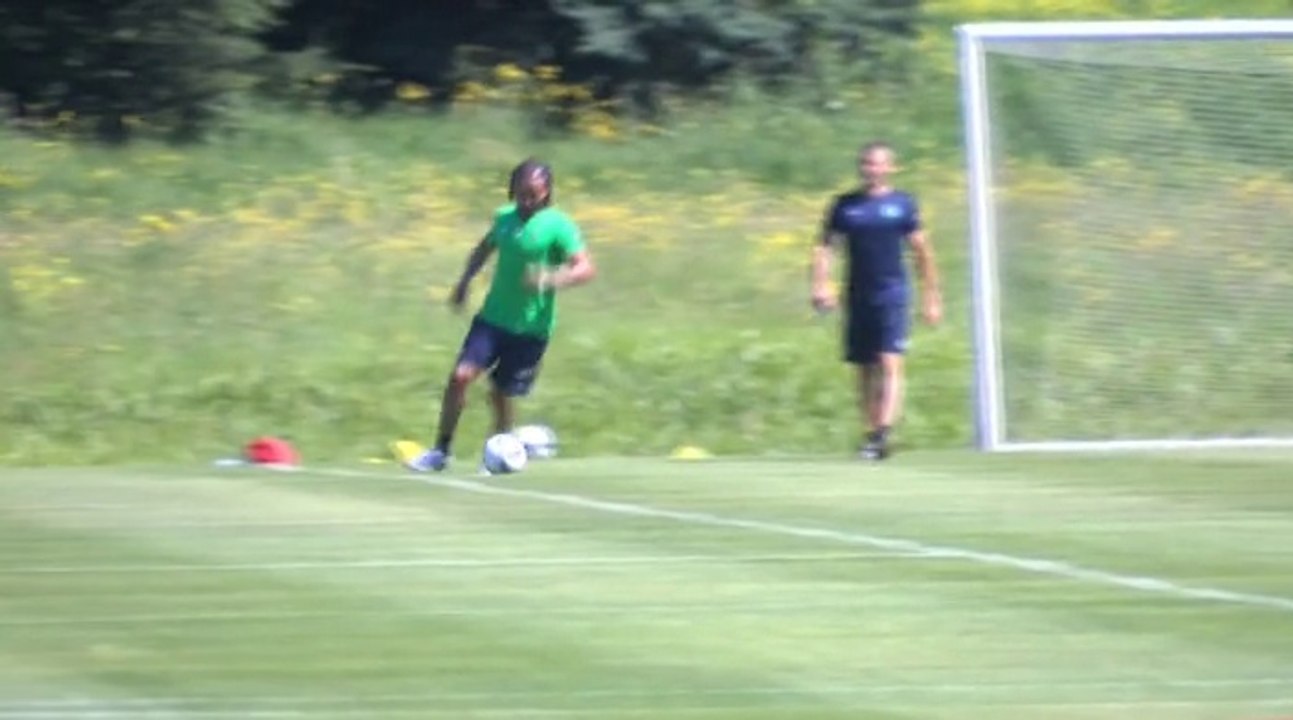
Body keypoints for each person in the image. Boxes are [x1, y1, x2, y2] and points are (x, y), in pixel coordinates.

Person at [406, 159, 596, 472]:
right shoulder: (503, 218)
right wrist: (464, 283)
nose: (526, 200)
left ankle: (498, 454)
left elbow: (586, 268)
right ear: (512, 190)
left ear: (546, 192)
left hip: (531, 330)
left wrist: (550, 278)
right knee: (459, 378)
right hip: (492, 320)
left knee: (499, 393)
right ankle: (440, 451)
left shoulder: (558, 225)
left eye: (533, 194)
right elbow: (483, 249)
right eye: (521, 193)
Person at [811, 141, 942, 461]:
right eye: (867, 163)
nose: (872, 170)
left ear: (891, 168)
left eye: (879, 164)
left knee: (889, 359)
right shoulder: (844, 205)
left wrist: (931, 296)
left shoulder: (903, 205)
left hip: (892, 292)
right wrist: (821, 284)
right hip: (858, 293)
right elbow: (826, 247)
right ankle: (871, 434)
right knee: (863, 367)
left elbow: (922, 251)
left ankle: (883, 430)